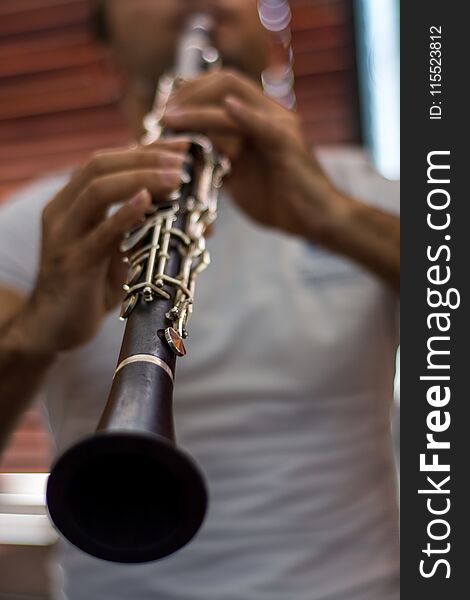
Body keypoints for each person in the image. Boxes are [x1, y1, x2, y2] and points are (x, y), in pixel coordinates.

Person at [0, 1, 400, 599]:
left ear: (271, 46)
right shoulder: (41, 221)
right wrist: (32, 335)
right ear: (106, 58)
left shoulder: (364, 192)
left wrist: (335, 218)